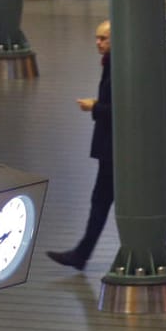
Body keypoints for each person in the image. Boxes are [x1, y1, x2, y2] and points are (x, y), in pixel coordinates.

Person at [46, 19, 112, 270]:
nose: (98, 43)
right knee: (101, 200)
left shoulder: (115, 65)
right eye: (97, 38)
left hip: (113, 149)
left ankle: (82, 254)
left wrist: (94, 106)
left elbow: (121, 106)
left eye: (103, 39)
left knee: (101, 200)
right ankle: (82, 253)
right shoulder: (111, 63)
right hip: (112, 148)